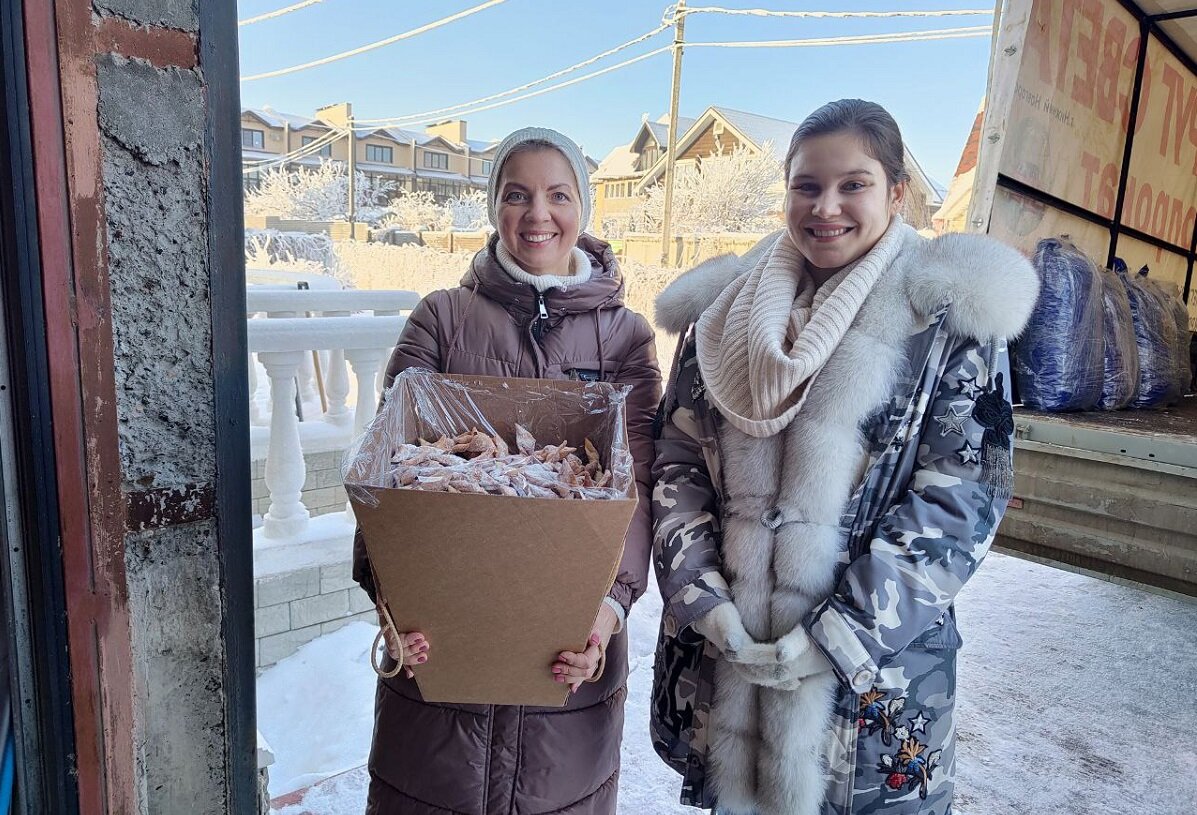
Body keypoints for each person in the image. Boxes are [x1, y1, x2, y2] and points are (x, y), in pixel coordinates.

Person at [648, 99, 1040, 815]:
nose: (825, 206)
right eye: (805, 185)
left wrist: (836, 636)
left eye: (852, 184)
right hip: (726, 665)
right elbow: (676, 461)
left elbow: (961, 498)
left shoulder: (946, 316)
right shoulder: (721, 314)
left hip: (870, 687)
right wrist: (703, 600)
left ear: (895, 192)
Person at [351, 126, 661, 814]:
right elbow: (386, 474)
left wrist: (607, 612)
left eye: (557, 194)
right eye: (515, 194)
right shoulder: (441, 317)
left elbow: (636, 484)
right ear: (492, 205)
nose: (537, 214)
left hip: (569, 654)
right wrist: (394, 598)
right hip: (441, 651)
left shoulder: (625, 337)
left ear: (583, 205)